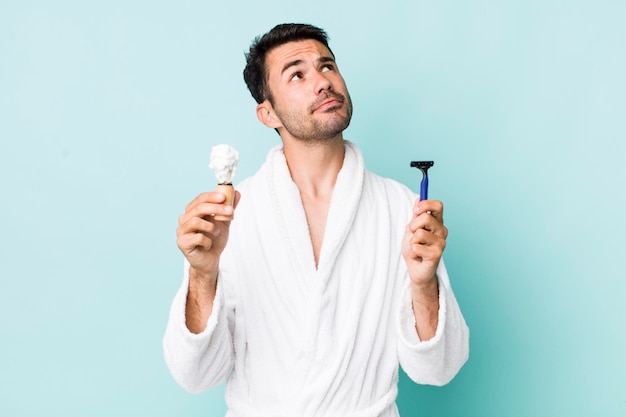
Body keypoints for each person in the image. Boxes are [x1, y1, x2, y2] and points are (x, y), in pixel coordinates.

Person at [163, 23, 469, 417]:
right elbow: (195, 375)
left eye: (327, 66)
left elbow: (438, 369)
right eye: (298, 74)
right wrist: (203, 274)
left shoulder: (400, 208)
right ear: (267, 112)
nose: (322, 82)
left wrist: (424, 284)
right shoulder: (231, 216)